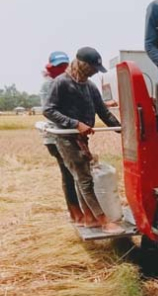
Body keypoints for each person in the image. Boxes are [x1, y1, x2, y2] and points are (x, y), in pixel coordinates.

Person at [43, 47, 125, 235]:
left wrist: (122, 129)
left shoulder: (90, 86)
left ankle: (90, 218)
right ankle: (103, 222)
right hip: (65, 137)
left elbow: (103, 112)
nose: (96, 71)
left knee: (83, 176)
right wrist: (74, 123)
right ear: (82, 64)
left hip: (81, 138)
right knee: (84, 179)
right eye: (93, 67)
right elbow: (49, 110)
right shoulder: (61, 83)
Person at [39, 51, 85, 223]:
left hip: (69, 133)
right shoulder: (49, 85)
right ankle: (75, 212)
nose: (62, 69)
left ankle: (80, 210)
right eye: (58, 66)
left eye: (65, 65)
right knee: (69, 172)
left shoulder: (65, 82)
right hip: (56, 136)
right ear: (51, 67)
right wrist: (74, 123)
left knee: (75, 172)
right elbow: (49, 112)